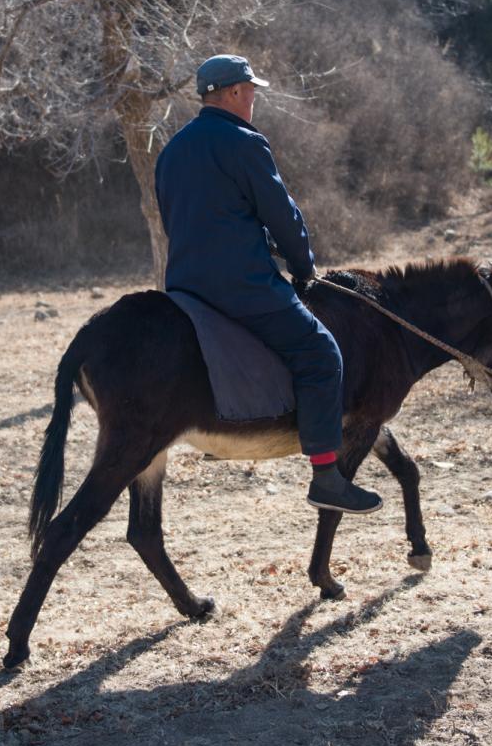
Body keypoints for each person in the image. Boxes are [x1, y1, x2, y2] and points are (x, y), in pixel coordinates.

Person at [154, 54, 382, 514]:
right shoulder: (245, 143)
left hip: (183, 290)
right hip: (245, 289)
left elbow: (179, 221)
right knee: (321, 354)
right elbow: (283, 215)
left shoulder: (172, 150)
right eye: (251, 89)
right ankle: (326, 476)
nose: (255, 97)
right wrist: (303, 266)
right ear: (234, 93)